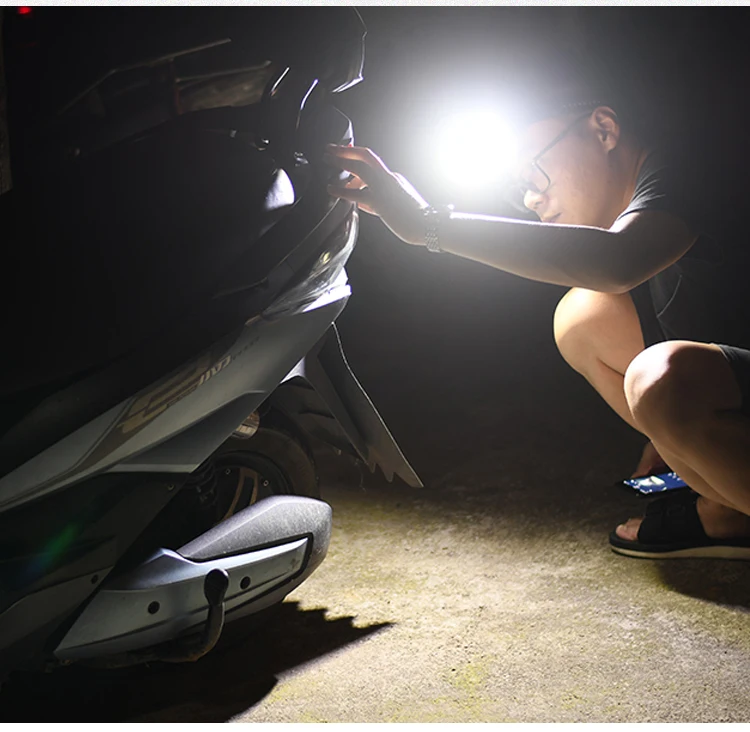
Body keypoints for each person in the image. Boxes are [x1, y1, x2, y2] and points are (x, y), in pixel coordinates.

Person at [323, 88, 750, 560]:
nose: (530, 198)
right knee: (583, 317)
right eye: (519, 187)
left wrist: (428, 225)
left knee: (659, 377)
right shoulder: (649, 205)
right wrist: (679, 438)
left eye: (533, 172)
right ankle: (729, 506)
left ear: (604, 129)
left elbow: (617, 261)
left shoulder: (690, 162)